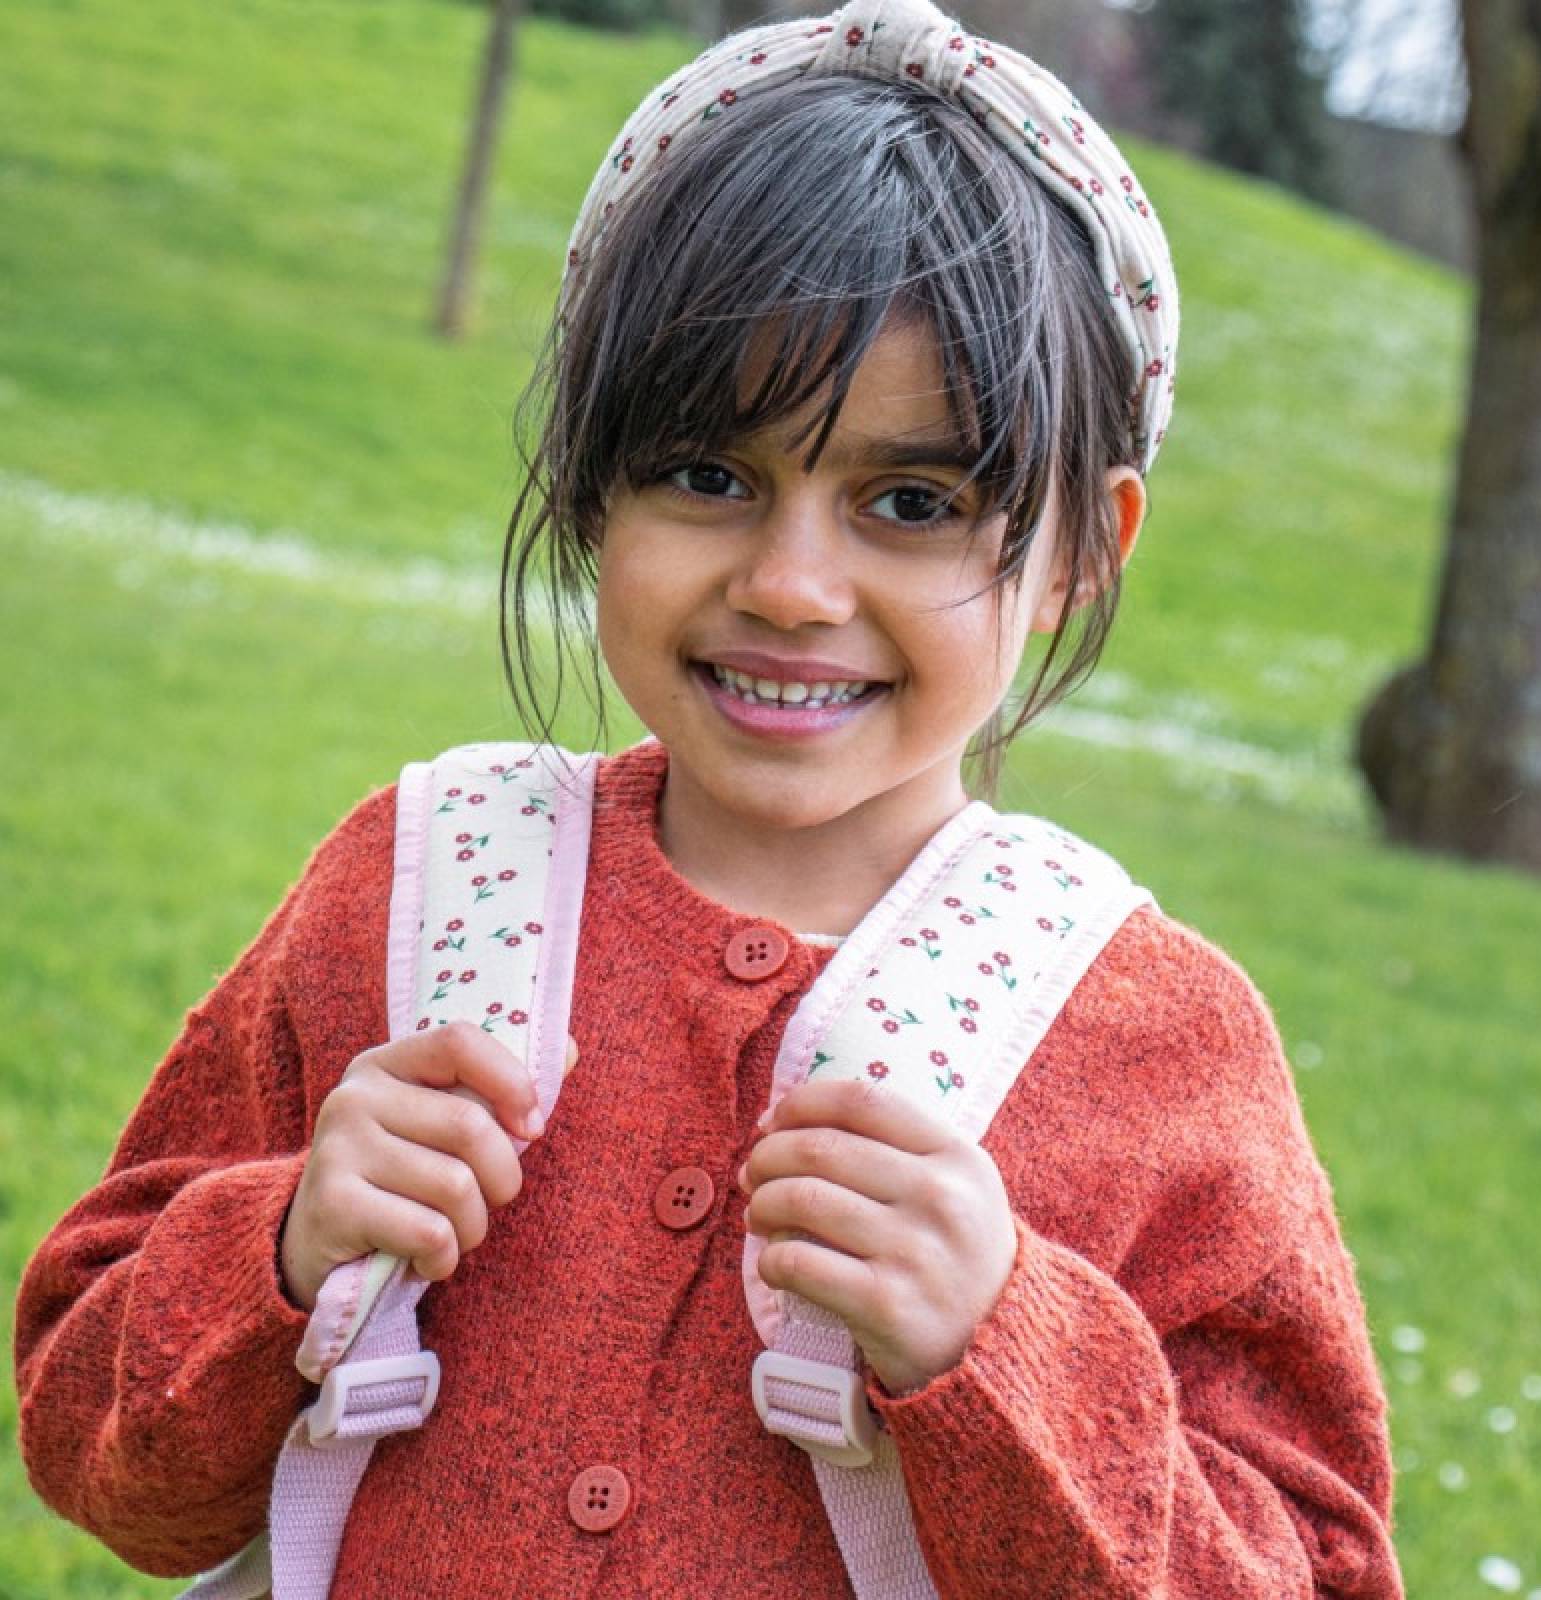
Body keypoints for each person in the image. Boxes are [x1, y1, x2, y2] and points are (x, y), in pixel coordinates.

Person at [13, 1, 1405, 1595]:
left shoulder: (1158, 1043)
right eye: (708, 475)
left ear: (1083, 552)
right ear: (591, 484)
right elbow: (92, 1444)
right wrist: (281, 1254)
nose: (794, 584)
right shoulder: (414, 891)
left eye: (911, 501)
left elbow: (1315, 1563)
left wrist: (1005, 1340)